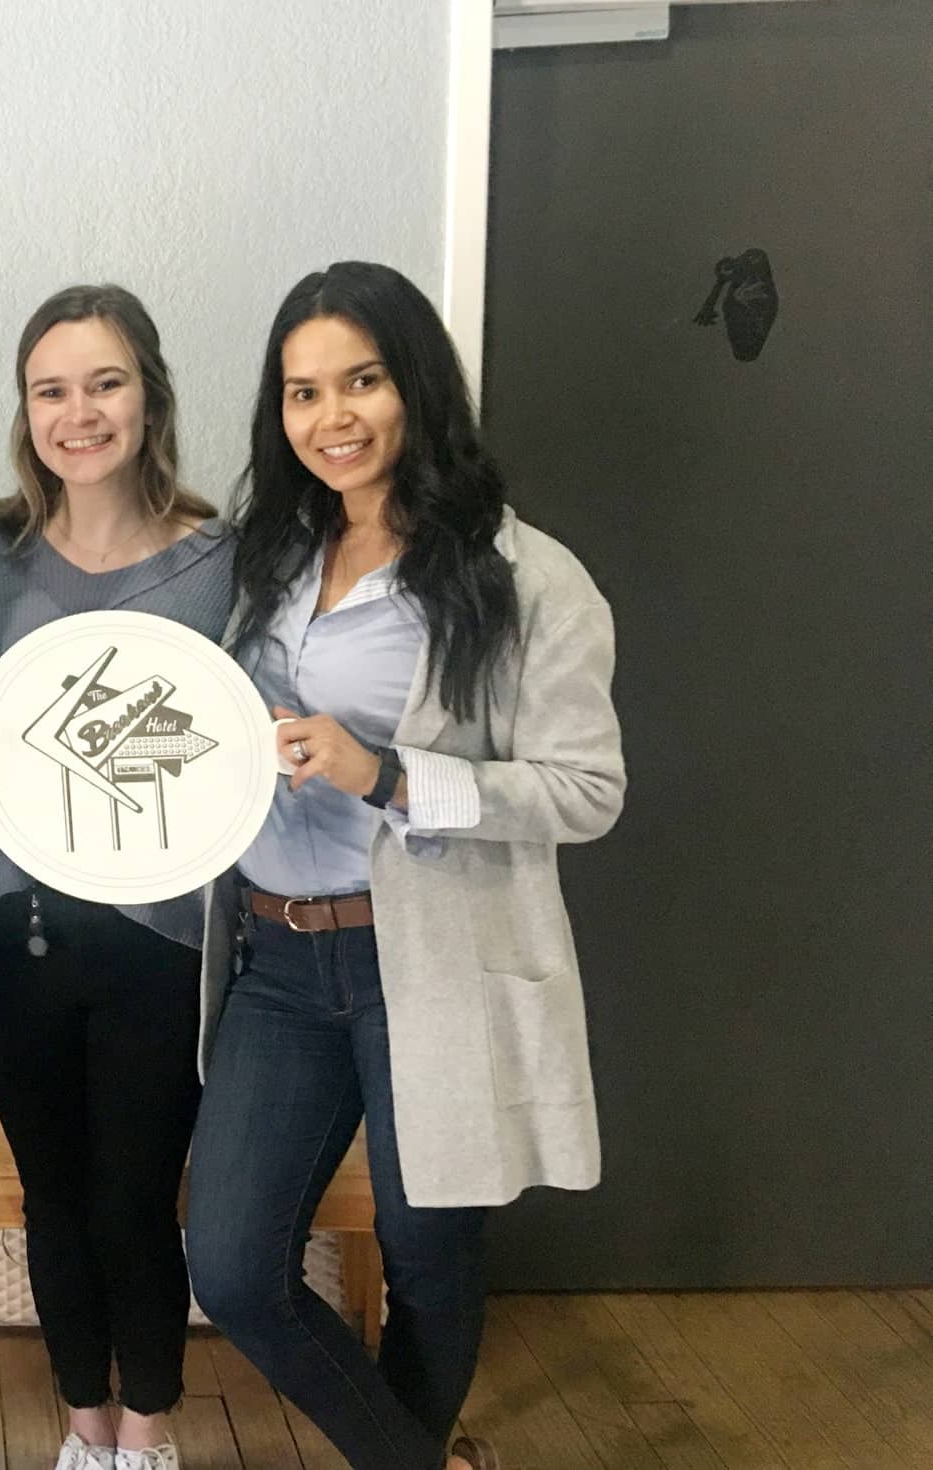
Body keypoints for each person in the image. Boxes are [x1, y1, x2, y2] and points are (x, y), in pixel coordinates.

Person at [183, 261, 625, 1470]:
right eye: (302, 392)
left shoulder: (527, 579)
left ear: (417, 386)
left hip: (422, 961)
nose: (331, 417)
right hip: (275, 961)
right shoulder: (266, 557)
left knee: (426, 1257)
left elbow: (586, 791)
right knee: (231, 1266)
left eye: (361, 381)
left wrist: (384, 774)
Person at [0, 285, 231, 1470]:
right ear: (26, 412)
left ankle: (147, 1433)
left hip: (162, 938)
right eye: (51, 390)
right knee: (52, 1196)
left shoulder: (223, 561)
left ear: (149, 398)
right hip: (3, 929)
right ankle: (83, 1430)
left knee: (133, 1200)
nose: (79, 413)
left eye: (104, 383)